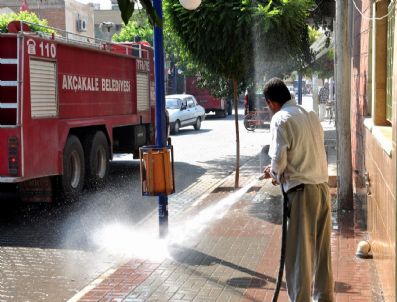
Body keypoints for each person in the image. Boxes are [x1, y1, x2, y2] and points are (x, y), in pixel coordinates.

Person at [262, 78, 334, 302]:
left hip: (302, 193)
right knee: (322, 251)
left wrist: (273, 173)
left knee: (300, 253)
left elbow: (279, 159)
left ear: (272, 103)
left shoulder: (280, 119)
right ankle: (325, 298)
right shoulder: (310, 115)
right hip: (322, 188)